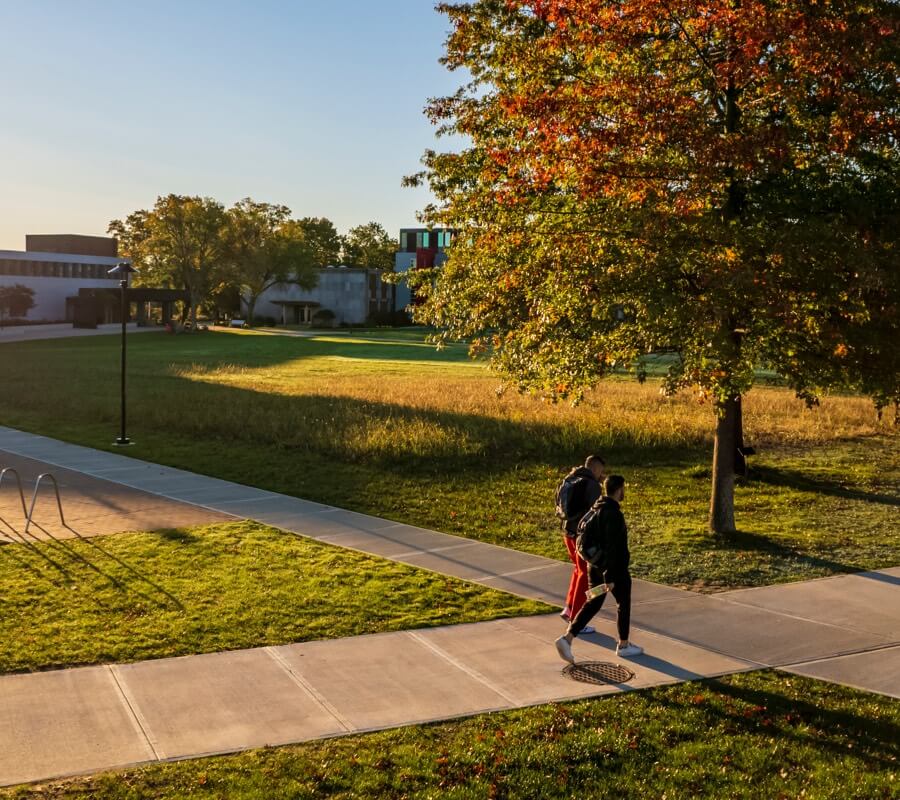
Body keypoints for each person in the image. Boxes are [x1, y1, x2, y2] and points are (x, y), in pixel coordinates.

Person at [555, 475, 643, 663]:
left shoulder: (596, 508)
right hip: (613, 572)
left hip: (593, 567)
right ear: (619, 489)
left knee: (593, 603)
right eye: (623, 489)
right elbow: (612, 547)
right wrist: (610, 577)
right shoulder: (613, 514)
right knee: (623, 603)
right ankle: (624, 645)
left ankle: (567, 638)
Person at [557, 455, 606, 630]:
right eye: (601, 470)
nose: (602, 474)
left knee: (578, 571)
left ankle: (569, 610)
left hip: (567, 532)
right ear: (594, 468)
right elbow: (595, 515)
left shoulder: (571, 478)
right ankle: (577, 619)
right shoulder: (592, 485)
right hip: (581, 537)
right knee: (585, 574)